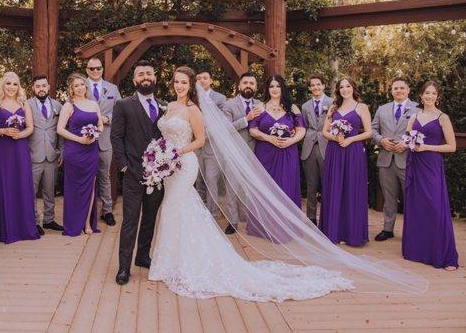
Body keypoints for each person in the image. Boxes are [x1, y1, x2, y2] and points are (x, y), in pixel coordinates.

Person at [148, 66, 353, 302]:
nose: (179, 85)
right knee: (175, 208)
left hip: (184, 162)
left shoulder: (194, 109)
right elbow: (164, 134)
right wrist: (160, 153)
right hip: (170, 166)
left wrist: (176, 152)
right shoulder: (170, 106)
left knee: (173, 207)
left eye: (184, 82)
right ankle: (171, 260)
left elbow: (201, 138)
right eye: (176, 81)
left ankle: (178, 261)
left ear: (191, 84)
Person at [111, 60, 165, 285]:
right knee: (130, 220)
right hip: (133, 172)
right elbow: (116, 136)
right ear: (134, 80)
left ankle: (143, 256)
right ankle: (124, 267)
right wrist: (124, 166)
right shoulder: (123, 105)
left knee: (150, 219)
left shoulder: (164, 106)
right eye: (141, 73)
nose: (145, 76)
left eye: (149, 73)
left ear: (155, 78)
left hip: (158, 175)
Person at [402, 81, 458, 270]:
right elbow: (408, 139)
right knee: (417, 205)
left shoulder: (443, 118)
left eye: (433, 93)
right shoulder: (414, 116)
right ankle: (418, 251)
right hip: (415, 164)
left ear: (438, 97)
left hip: (432, 165)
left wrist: (426, 147)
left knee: (435, 206)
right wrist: (405, 144)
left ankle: (444, 255)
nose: (430, 96)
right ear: (421, 95)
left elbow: (452, 147)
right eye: (427, 93)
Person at [0, 72, 40, 243]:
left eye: (15, 84)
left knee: (21, 184)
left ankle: (24, 227)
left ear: (19, 87)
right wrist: (4, 131)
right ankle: (5, 229)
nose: (11, 87)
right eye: (8, 83)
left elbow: (31, 127)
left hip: (19, 148)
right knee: (5, 184)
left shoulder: (24, 104)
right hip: (2, 150)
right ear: (2, 85)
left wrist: (21, 134)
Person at [320, 77, 372, 246]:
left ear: (353, 88)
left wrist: (350, 140)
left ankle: (352, 234)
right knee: (335, 188)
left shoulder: (361, 107)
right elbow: (324, 132)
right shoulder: (333, 108)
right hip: (335, 151)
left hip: (353, 151)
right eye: (341, 87)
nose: (345, 89)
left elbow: (368, 133)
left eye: (348, 86)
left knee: (352, 188)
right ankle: (334, 231)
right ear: (338, 90)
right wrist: (336, 137)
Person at [371, 77, 418, 241]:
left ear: (408, 90)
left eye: (401, 88)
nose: (398, 91)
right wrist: (381, 140)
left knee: (411, 197)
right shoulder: (382, 109)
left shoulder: (417, 109)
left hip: (408, 160)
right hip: (385, 159)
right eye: (395, 88)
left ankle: (412, 231)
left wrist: (406, 144)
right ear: (391, 91)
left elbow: (421, 133)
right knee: (388, 197)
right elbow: (372, 129)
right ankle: (388, 229)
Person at [249, 75, 306, 211]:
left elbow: (301, 130)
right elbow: (252, 130)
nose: (274, 89)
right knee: (265, 186)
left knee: (287, 185)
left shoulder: (292, 108)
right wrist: (269, 138)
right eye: (271, 86)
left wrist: (291, 140)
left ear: (283, 88)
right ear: (267, 89)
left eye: (278, 86)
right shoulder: (260, 107)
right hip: (265, 153)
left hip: (287, 152)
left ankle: (288, 224)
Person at [58, 73, 103, 236]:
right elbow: (60, 129)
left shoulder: (93, 104)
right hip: (74, 151)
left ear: (86, 86)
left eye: (82, 84)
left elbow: (100, 125)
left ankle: (86, 223)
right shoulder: (68, 106)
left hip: (91, 150)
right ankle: (74, 223)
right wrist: (79, 139)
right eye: (76, 85)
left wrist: (94, 134)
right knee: (75, 187)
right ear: (71, 88)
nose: (80, 88)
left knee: (90, 185)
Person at [221, 72, 262, 234]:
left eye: (252, 83)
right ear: (239, 86)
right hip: (234, 152)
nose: (248, 86)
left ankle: (252, 220)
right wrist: (247, 118)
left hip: (256, 152)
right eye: (245, 83)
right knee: (232, 187)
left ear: (256, 87)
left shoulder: (261, 104)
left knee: (253, 187)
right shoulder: (229, 105)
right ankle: (232, 221)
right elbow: (224, 128)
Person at [85, 58, 122, 226]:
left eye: (98, 68)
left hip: (105, 140)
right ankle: (87, 211)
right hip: (84, 140)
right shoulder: (80, 86)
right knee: (86, 177)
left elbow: (121, 112)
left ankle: (107, 211)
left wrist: (108, 118)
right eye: (91, 68)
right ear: (87, 70)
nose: (95, 71)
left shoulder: (112, 88)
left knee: (105, 177)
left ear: (102, 69)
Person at [27, 75, 64, 233]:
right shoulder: (26, 105)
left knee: (50, 189)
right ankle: (33, 221)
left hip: (52, 155)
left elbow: (61, 132)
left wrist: (61, 151)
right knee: (31, 190)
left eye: (43, 86)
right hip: (32, 155)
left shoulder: (58, 105)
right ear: (33, 88)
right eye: (37, 86)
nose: (41, 89)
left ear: (48, 87)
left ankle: (49, 219)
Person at [300, 74, 333, 226]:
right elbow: (304, 126)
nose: (315, 87)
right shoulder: (305, 106)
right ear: (309, 88)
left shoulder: (333, 103)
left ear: (323, 85)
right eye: (312, 85)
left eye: (318, 84)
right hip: (309, 148)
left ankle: (327, 217)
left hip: (327, 146)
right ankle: (311, 218)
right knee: (311, 185)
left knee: (328, 184)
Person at [195, 69, 226, 217]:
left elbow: (220, 123)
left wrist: (201, 135)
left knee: (211, 179)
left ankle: (212, 213)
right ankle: (200, 210)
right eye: (199, 78)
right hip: (194, 146)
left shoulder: (220, 98)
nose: (201, 80)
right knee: (198, 179)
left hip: (212, 146)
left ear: (211, 80)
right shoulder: (191, 97)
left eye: (205, 78)